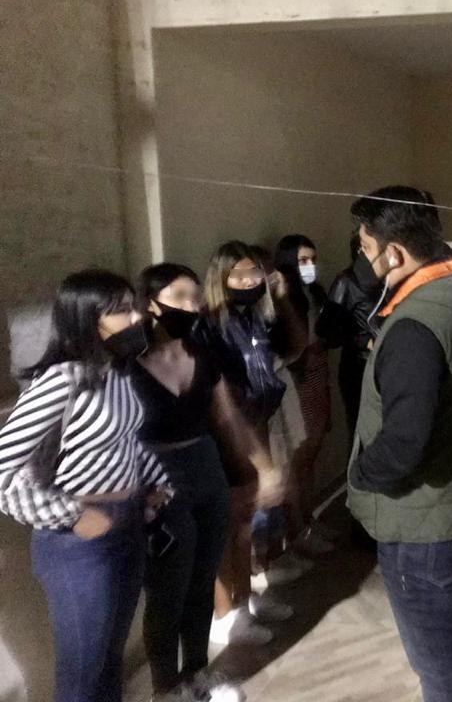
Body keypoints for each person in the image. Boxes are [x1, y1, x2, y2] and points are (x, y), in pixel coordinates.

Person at [346, 186, 452, 702]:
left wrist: (361, 474)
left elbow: (403, 444)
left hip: (421, 525)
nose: (364, 260)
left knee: (439, 662)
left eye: (366, 249)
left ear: (394, 253)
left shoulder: (415, 324)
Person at [0, 270, 171, 702]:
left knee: (109, 660)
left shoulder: (116, 374)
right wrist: (73, 515)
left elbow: (125, 442)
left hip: (129, 523)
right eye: (122, 310)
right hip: (77, 543)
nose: (137, 317)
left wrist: (155, 482)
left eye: (134, 306)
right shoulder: (64, 379)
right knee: (83, 673)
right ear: (88, 319)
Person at [133, 263, 284, 699]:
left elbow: (229, 419)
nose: (191, 306)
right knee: (167, 590)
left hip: (206, 469)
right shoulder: (128, 365)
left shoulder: (202, 353)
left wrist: (264, 468)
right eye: (180, 297)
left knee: (202, 581)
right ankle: (167, 688)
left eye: (196, 298)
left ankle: (198, 674)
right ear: (150, 303)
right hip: (158, 481)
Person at [199, 241, 307, 645]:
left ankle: (245, 604)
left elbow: (296, 347)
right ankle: (226, 616)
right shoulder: (211, 326)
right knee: (229, 530)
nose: (248, 281)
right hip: (229, 438)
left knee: (244, 527)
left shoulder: (253, 318)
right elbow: (223, 403)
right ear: (221, 278)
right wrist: (258, 459)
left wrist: (282, 296)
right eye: (239, 274)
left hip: (258, 424)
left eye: (254, 273)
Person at [274, 234, 334, 553]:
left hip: (318, 369)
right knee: (299, 456)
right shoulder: (285, 298)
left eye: (312, 260)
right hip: (299, 375)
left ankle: (309, 520)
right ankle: (297, 530)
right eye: (302, 261)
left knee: (313, 454)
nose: (309, 266)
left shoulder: (314, 293)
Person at [317, 233, 383, 444]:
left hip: (386, 364)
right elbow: (328, 331)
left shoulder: (388, 280)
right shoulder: (347, 281)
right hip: (359, 367)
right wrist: (364, 341)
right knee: (362, 432)